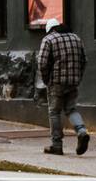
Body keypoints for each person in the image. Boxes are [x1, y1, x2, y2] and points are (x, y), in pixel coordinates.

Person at [37, 18, 90, 156]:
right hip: (73, 82)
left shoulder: (48, 39)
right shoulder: (76, 38)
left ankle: (57, 145)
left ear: (50, 29)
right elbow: (84, 60)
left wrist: (46, 80)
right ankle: (82, 131)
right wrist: (78, 77)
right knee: (71, 109)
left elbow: (42, 63)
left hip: (56, 82)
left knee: (54, 112)